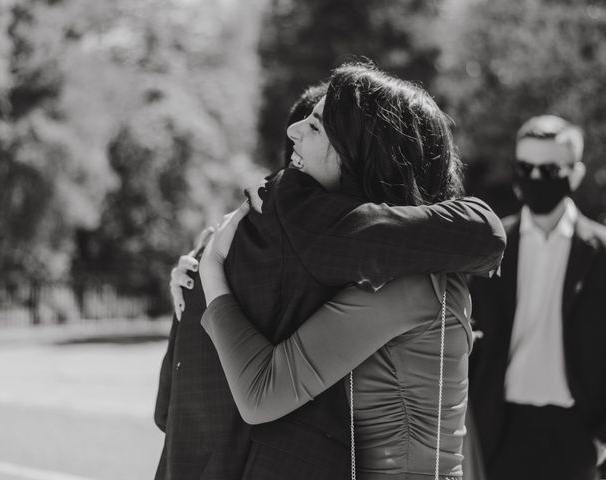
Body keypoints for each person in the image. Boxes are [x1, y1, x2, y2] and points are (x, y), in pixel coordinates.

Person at [155, 65, 506, 480]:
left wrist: (213, 271)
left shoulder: (406, 285)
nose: (293, 133)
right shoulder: (370, 270)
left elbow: (261, 392)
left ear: (366, 154)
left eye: (317, 127)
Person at [469, 115, 606, 480]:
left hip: (576, 433)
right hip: (496, 426)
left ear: (576, 172)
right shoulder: (485, 247)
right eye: (525, 167)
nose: (535, 178)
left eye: (549, 168)